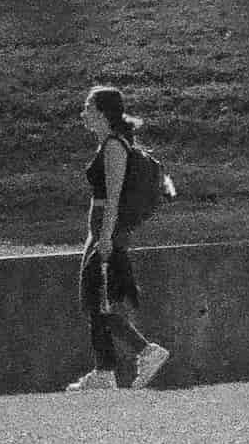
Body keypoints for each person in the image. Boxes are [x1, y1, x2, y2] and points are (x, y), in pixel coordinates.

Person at [68, 84, 172, 392]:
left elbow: (112, 197)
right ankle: (104, 371)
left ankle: (145, 351)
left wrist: (105, 236)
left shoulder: (114, 147)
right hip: (98, 231)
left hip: (107, 231)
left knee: (97, 300)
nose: (83, 114)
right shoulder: (107, 145)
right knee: (94, 299)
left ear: (102, 113)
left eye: (88, 108)